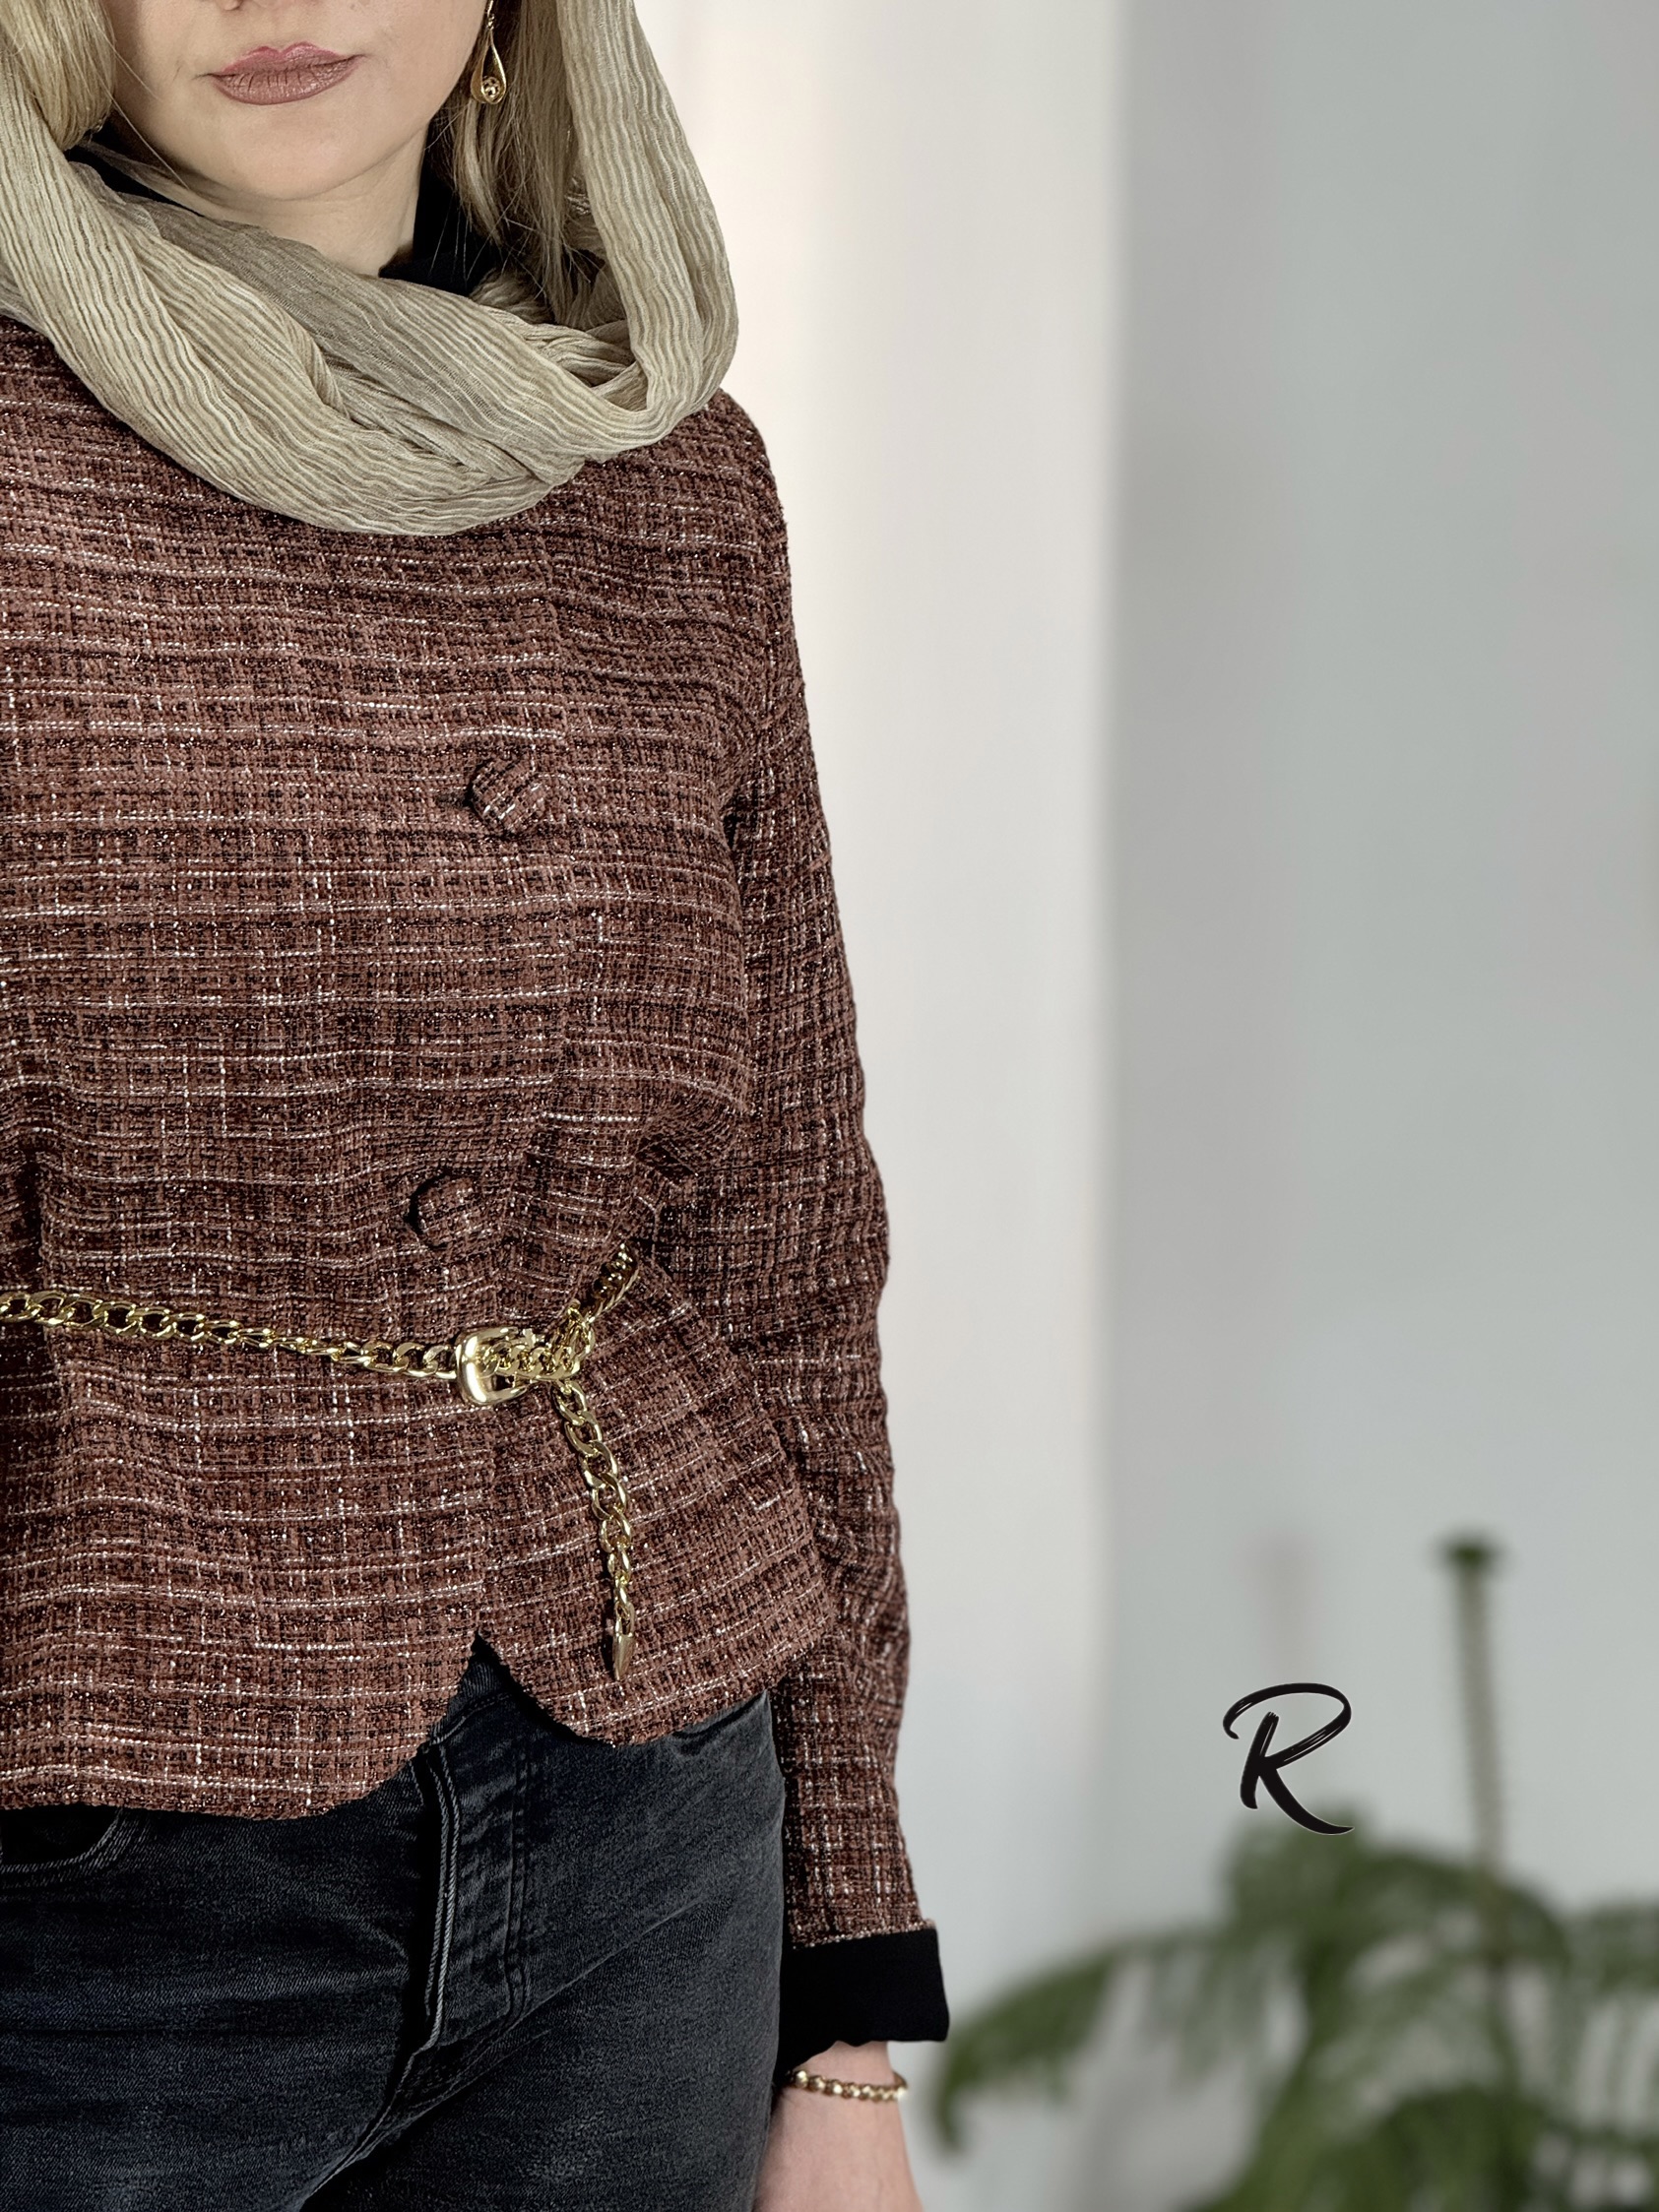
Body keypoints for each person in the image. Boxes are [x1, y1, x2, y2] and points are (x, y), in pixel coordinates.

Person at [0, 2, 947, 2205]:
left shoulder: (672, 482)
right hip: (86, 1859)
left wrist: (843, 2020)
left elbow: (786, 1249)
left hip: (650, 1830)